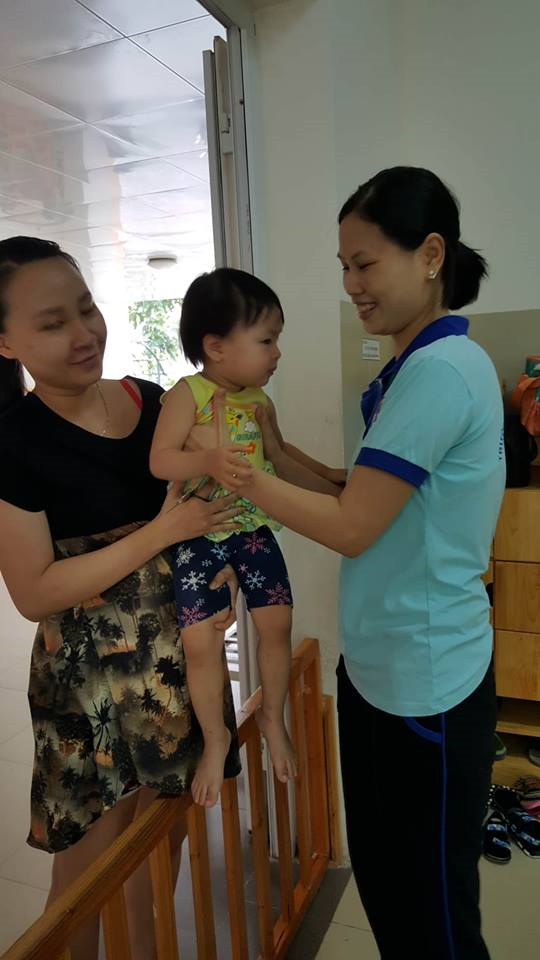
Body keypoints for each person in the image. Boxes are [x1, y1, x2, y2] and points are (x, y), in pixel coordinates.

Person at [241, 167, 505, 959]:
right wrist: (276, 450)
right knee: (391, 893)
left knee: (435, 919)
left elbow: (354, 527)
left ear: (431, 255)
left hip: (428, 684)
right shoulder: (412, 366)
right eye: (343, 267)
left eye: (365, 263)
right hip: (379, 672)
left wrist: (237, 473)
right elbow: (361, 490)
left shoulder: (440, 372)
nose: (351, 284)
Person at [0, 237, 242, 960]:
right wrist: (162, 532)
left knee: (158, 849)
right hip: (89, 690)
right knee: (87, 871)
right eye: (53, 323)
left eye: (87, 308)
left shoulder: (153, 399)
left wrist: (222, 567)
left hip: (177, 670)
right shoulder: (13, 441)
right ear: (6, 342)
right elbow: (34, 590)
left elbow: (207, 509)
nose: (83, 333)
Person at [150, 267, 343, 807]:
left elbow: (279, 455)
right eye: (266, 340)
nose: (277, 352)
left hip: (254, 532)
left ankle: (272, 718)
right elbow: (160, 461)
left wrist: (332, 477)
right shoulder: (186, 395)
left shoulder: (259, 400)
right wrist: (207, 459)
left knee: (277, 626)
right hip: (200, 535)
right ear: (216, 346)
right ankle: (217, 739)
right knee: (201, 644)